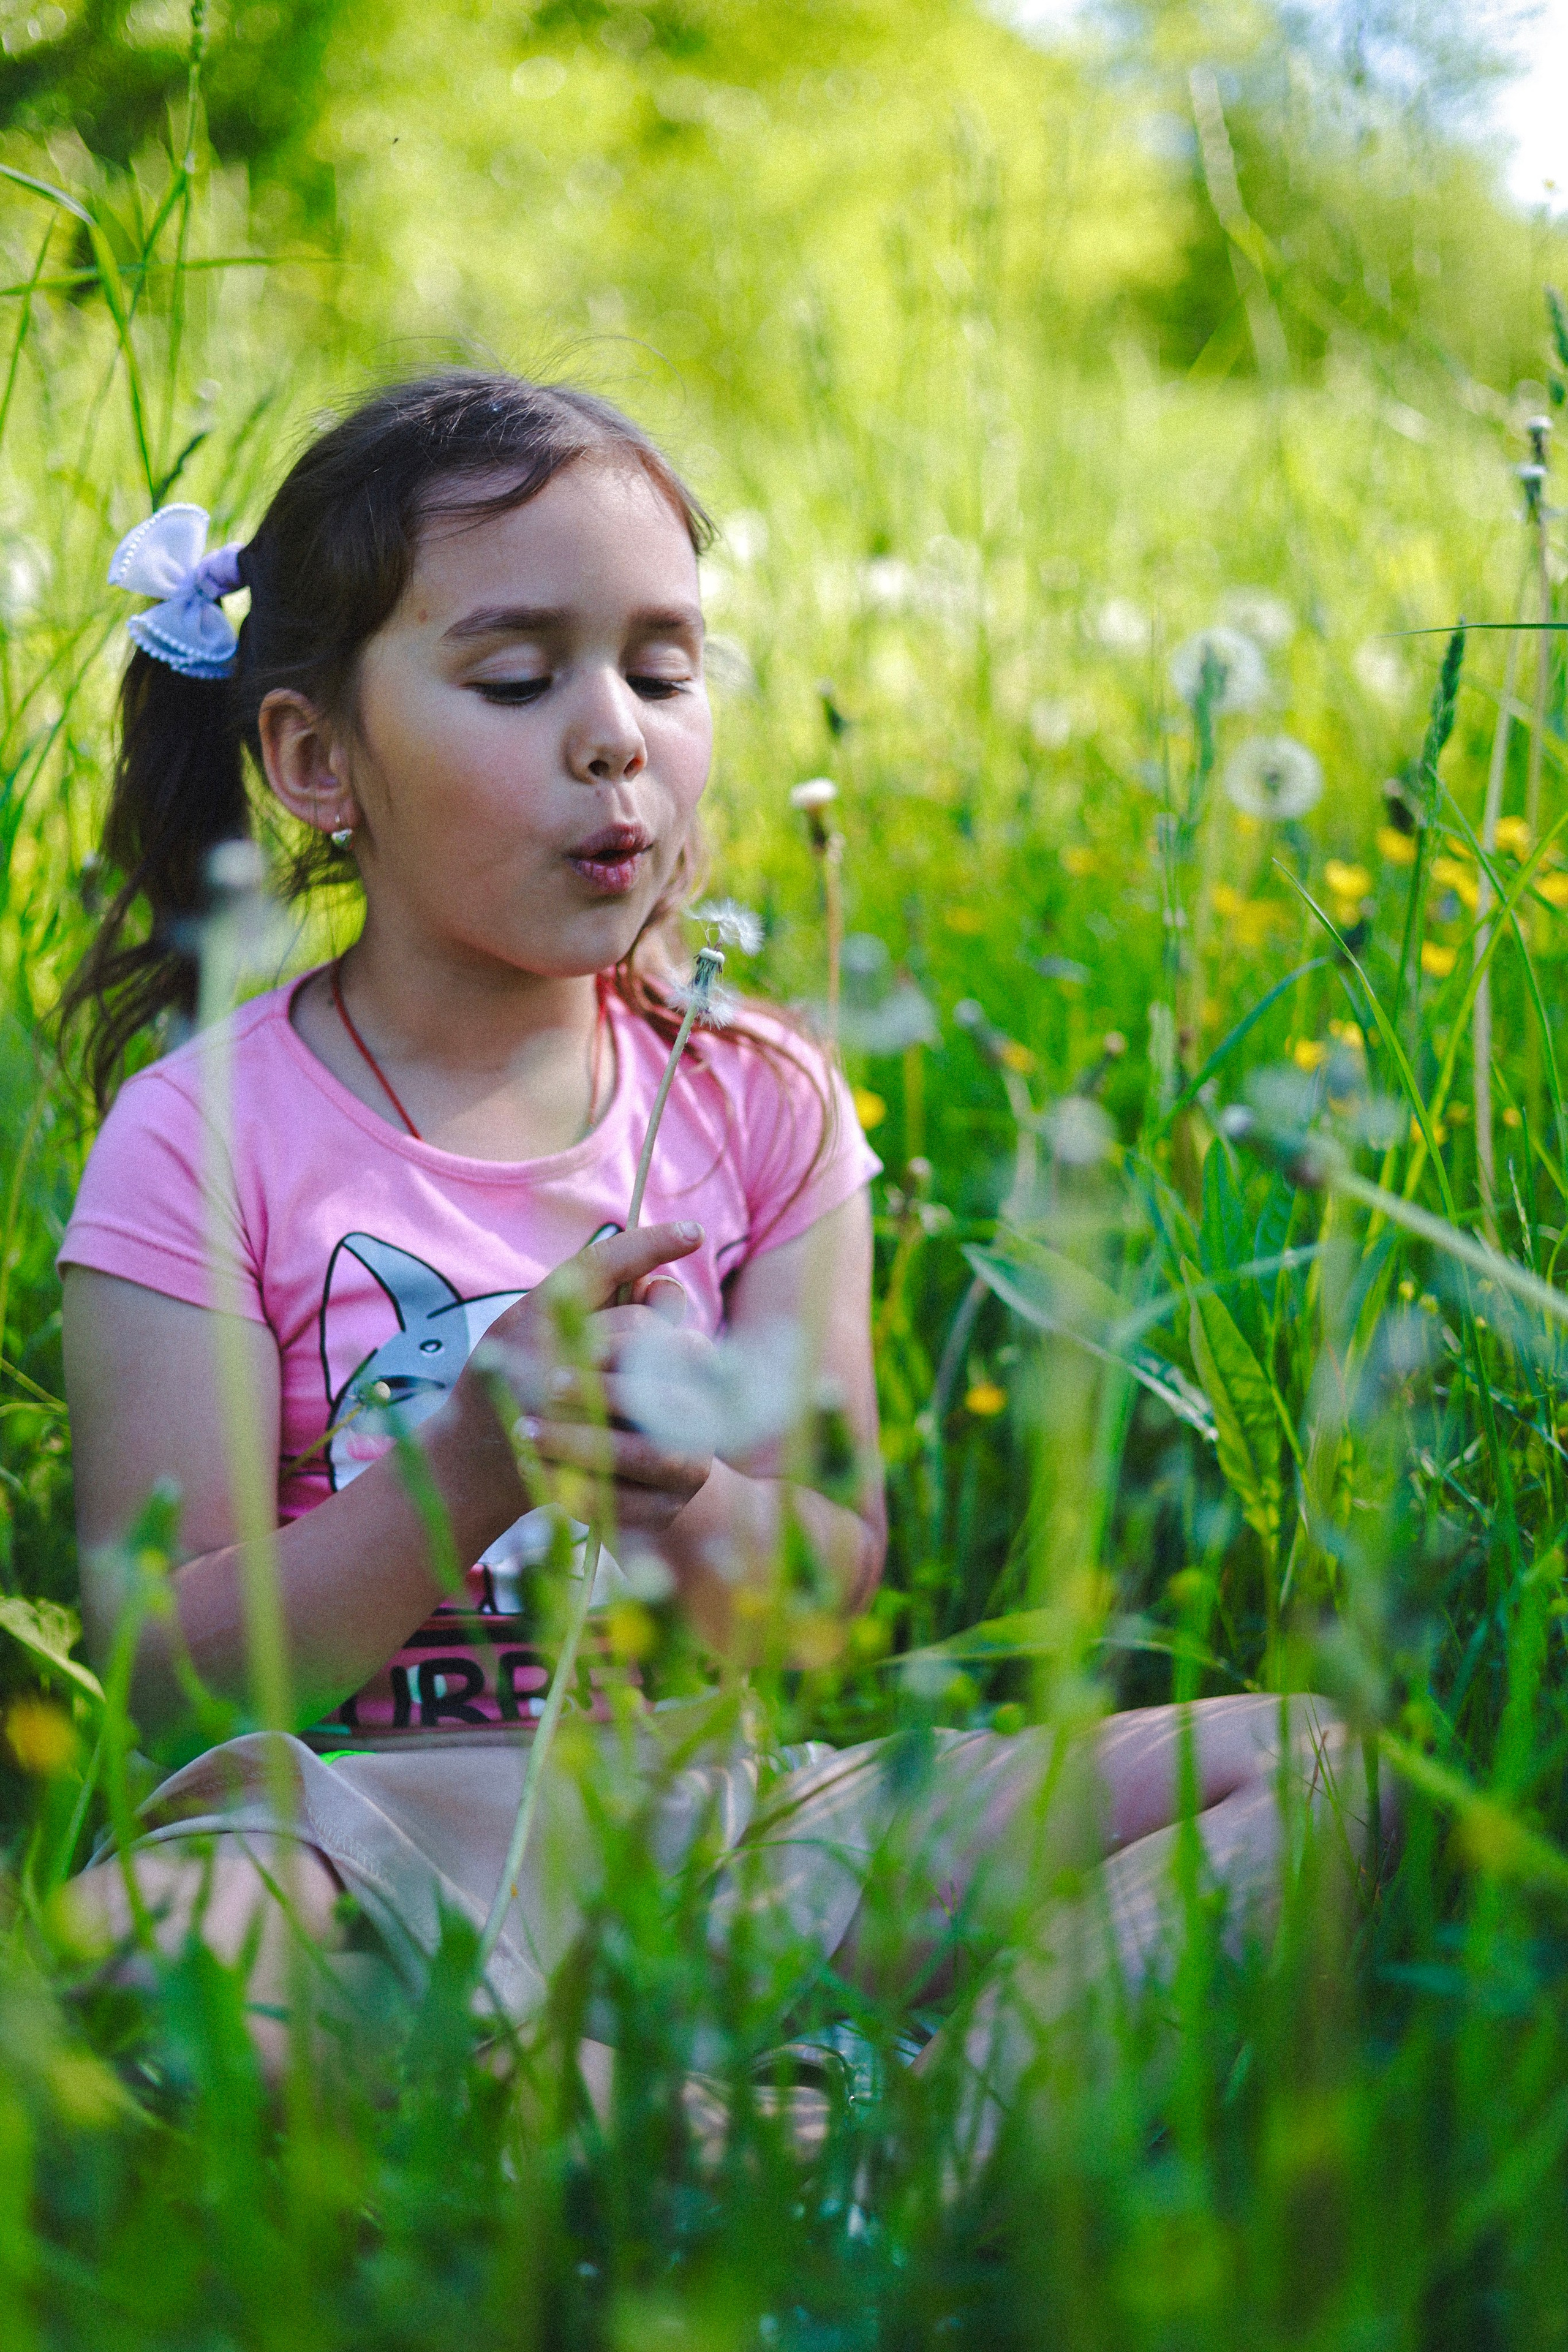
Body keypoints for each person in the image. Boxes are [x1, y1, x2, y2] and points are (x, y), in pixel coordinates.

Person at [56, 372, 1379, 2113]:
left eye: (665, 672)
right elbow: (166, 1666)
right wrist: (471, 1461)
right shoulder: (203, 1133)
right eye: (520, 679)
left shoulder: (759, 1098)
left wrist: (686, 1491)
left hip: (733, 1830)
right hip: (352, 1843)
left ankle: (898, 2143)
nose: (616, 735)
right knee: (123, 1947)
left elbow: (827, 1576)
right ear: (317, 760)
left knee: (1319, 1767)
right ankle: (714, 2127)